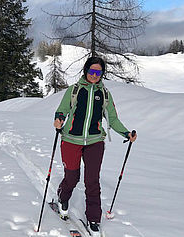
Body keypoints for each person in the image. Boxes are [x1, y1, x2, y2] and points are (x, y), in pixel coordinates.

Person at [53, 57, 137, 236]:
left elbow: (112, 119)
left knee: (92, 181)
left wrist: (126, 133)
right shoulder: (74, 90)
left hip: (95, 141)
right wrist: (59, 119)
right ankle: (62, 199)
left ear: (102, 74)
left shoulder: (104, 94)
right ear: (85, 71)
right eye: (91, 71)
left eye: (98, 72)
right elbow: (62, 109)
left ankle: (93, 220)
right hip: (71, 140)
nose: (94, 75)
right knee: (72, 177)